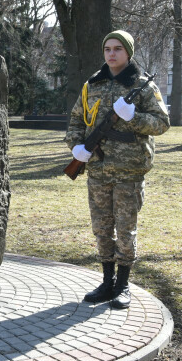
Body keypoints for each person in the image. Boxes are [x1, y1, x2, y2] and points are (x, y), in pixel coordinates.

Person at [65, 30, 169, 309]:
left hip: (129, 170)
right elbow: (76, 120)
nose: (111, 54)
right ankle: (106, 281)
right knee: (102, 228)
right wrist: (77, 147)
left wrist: (134, 117)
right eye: (108, 49)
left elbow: (161, 123)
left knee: (125, 230)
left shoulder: (143, 86)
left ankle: (123, 285)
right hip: (98, 169)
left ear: (128, 53)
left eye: (117, 49)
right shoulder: (92, 84)